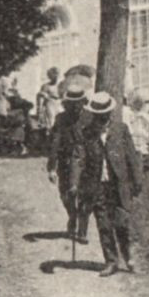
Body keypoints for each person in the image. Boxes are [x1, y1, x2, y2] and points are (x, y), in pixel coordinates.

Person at [76, 90, 143, 275]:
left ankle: (128, 258)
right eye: (98, 114)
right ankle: (111, 261)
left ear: (109, 113)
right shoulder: (87, 133)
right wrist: (79, 185)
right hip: (97, 185)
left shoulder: (121, 130)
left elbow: (131, 157)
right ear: (94, 114)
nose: (101, 117)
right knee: (103, 224)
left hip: (118, 185)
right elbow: (80, 161)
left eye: (104, 114)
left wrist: (137, 182)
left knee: (122, 223)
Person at [45, 75, 90, 240]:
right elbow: (54, 144)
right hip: (65, 161)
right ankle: (72, 216)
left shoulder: (89, 117)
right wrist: (51, 168)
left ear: (83, 101)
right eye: (73, 102)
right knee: (66, 194)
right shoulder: (61, 119)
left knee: (85, 194)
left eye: (80, 101)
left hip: (86, 160)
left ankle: (83, 229)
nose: (77, 106)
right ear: (68, 103)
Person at [34, 68, 62, 152]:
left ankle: (58, 144)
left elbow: (63, 95)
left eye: (57, 74)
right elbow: (40, 98)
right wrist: (39, 109)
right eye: (54, 75)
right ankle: (49, 145)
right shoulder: (46, 86)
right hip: (50, 104)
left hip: (59, 104)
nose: (56, 76)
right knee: (51, 123)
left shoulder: (61, 86)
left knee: (60, 123)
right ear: (50, 76)